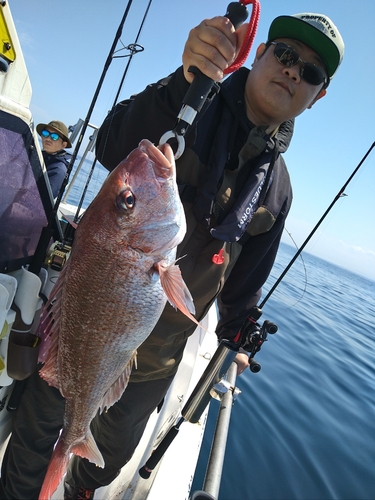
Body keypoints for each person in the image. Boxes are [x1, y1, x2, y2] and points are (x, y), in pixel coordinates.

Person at [0, 11, 344, 500]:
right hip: (87, 319)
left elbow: (245, 281)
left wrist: (237, 333)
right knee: (37, 430)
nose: (294, 71)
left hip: (160, 356)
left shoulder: (277, 192)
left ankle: (77, 487)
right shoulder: (186, 102)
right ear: (260, 53)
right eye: (286, 55)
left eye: (310, 72)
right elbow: (112, 141)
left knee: (109, 455)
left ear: (318, 95)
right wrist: (181, 83)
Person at [36, 120, 72, 198]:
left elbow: (42, 202)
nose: (48, 138)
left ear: (63, 145)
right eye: (46, 133)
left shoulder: (58, 170)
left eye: (54, 137)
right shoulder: (36, 156)